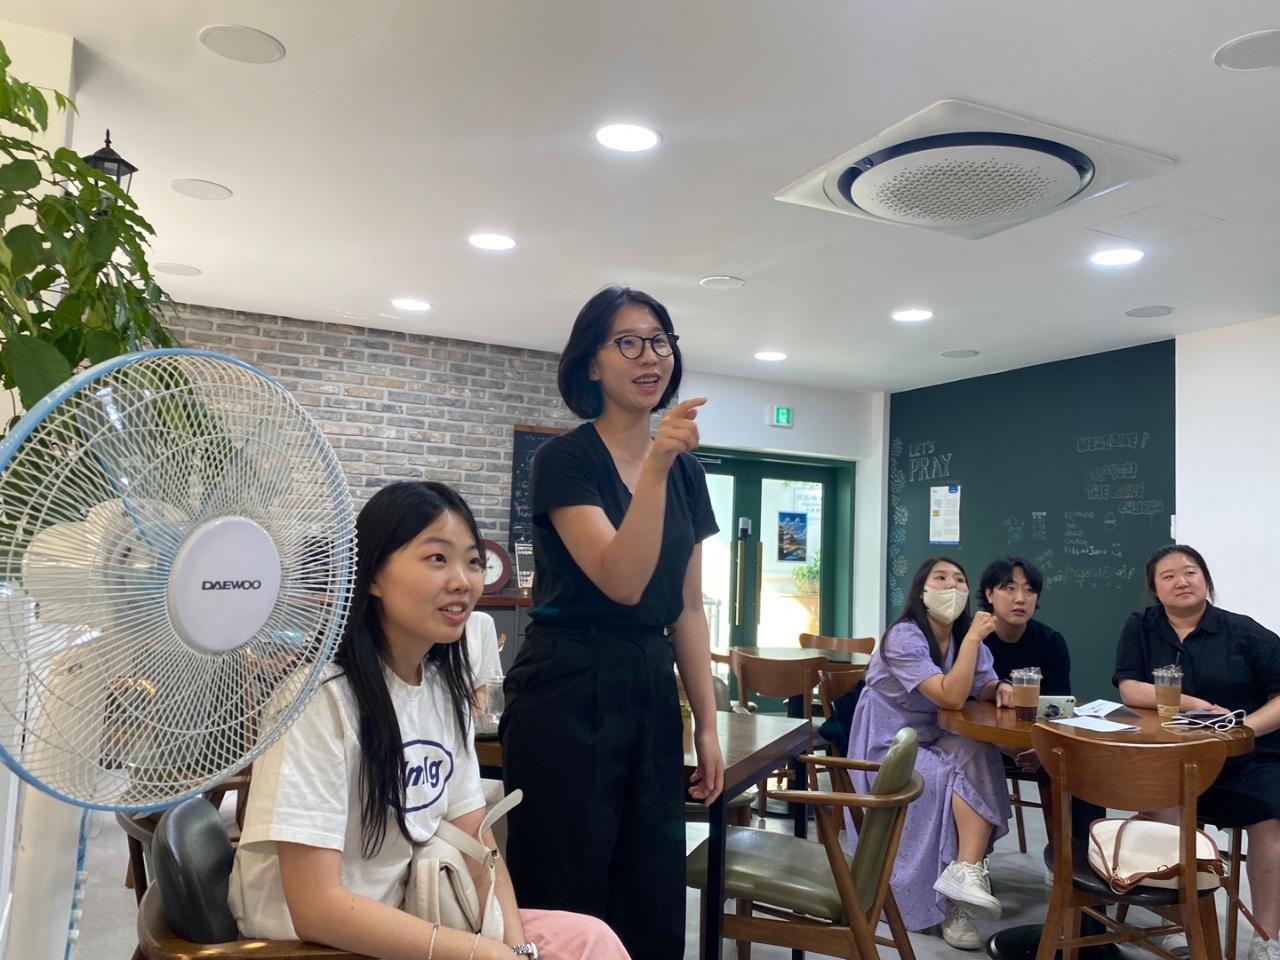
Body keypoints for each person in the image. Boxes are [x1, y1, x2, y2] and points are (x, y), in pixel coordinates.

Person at [229, 481, 629, 960]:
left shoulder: (443, 693)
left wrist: (517, 947)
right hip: (310, 945)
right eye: (437, 558)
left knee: (592, 940)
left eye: (473, 561)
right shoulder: (317, 701)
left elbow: (479, 848)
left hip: (413, 916)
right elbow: (316, 908)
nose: (462, 581)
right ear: (373, 576)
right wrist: (479, 953)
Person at [500, 286, 724, 959]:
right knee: (564, 882)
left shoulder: (686, 474)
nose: (649, 356)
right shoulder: (565, 460)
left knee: (650, 882)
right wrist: (656, 465)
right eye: (627, 342)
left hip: (649, 684)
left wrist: (707, 724)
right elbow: (621, 581)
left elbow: (687, 608)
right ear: (591, 364)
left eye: (660, 340)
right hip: (567, 684)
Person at [1114, 544, 1280, 960]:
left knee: (1271, 820)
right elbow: (1130, 688)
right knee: (1163, 809)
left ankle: (1266, 938)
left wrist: (1239, 730)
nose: (1181, 581)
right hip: (1173, 757)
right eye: (1168, 576)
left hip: (1246, 758)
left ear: (1206, 579)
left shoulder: (1244, 632)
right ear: (1155, 588)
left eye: (1190, 572)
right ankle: (1181, 922)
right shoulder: (1141, 626)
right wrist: (1193, 703)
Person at [847, 556, 1012, 951]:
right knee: (940, 779)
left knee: (978, 753)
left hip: (936, 734)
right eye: (941, 578)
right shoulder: (904, 636)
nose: (952, 586)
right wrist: (972, 640)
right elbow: (950, 695)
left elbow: (980, 683)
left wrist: (999, 688)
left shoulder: (962, 637)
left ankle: (964, 876)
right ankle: (939, 900)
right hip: (889, 743)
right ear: (921, 591)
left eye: (960, 579)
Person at [978, 556, 1069, 773]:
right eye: (1009, 588)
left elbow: (1059, 707)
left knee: (1075, 762)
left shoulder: (1051, 642)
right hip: (979, 740)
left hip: (1034, 743)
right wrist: (1004, 744)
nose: (1020, 599)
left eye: (1029, 590)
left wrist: (1044, 748)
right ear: (989, 594)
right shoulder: (972, 638)